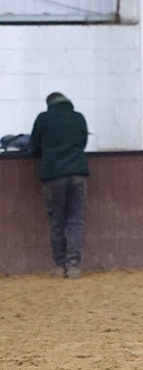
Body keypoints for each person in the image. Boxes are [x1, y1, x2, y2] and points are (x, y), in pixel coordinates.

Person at [29, 92, 89, 278]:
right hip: (78, 174)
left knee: (57, 221)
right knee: (75, 220)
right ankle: (73, 266)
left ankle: (59, 265)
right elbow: (83, 143)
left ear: (49, 104)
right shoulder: (79, 118)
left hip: (53, 175)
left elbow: (33, 147)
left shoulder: (43, 118)